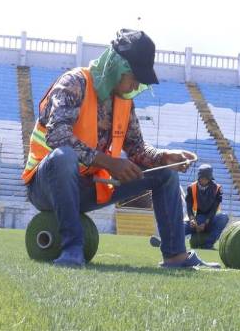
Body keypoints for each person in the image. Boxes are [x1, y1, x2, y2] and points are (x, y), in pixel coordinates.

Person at [22, 29, 218, 269]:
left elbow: (137, 149)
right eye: (134, 76)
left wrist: (164, 157)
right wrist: (110, 163)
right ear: (116, 66)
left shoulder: (124, 100)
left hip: (90, 185)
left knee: (165, 173)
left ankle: (176, 256)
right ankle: (72, 250)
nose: (136, 84)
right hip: (46, 186)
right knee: (64, 157)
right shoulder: (74, 83)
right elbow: (57, 136)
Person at [184, 164, 230, 248]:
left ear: (210, 178)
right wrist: (192, 220)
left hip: (211, 220)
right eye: (202, 178)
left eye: (206, 179)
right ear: (199, 177)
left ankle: (208, 244)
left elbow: (214, 208)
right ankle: (171, 242)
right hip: (196, 220)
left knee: (223, 218)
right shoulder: (191, 187)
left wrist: (205, 223)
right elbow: (189, 206)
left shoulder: (217, 188)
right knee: (182, 226)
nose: (204, 180)